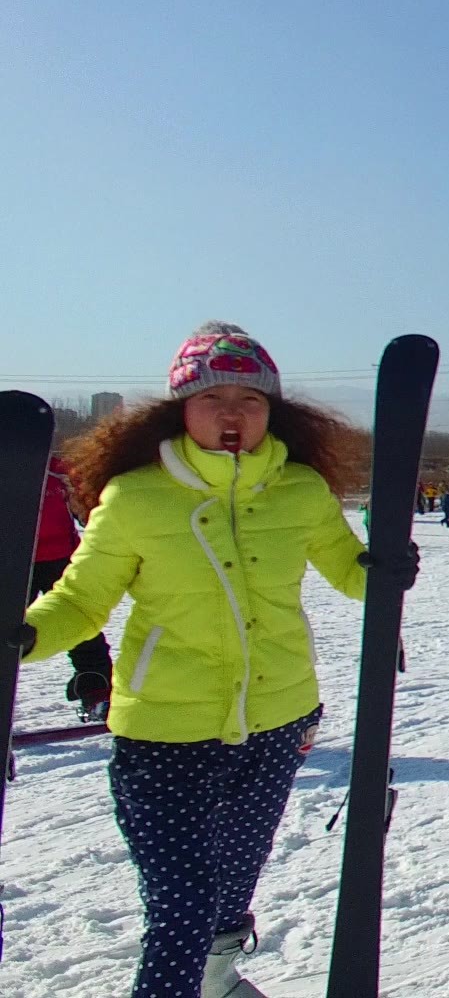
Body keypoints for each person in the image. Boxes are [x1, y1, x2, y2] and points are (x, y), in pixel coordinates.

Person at [19, 322, 415, 998]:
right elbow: (81, 602)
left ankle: (217, 979)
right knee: (182, 907)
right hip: (166, 733)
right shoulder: (137, 498)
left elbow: (351, 575)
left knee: (233, 879)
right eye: (213, 399)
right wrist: (25, 635)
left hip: (279, 718)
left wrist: (384, 568)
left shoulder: (300, 489)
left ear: (274, 412)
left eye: (251, 401)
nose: (233, 415)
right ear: (181, 410)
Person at [34, 455, 115, 719]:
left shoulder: (56, 468)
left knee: (81, 625)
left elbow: (90, 504)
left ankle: (96, 688)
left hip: (61, 558)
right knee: (12, 636)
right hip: (13, 562)